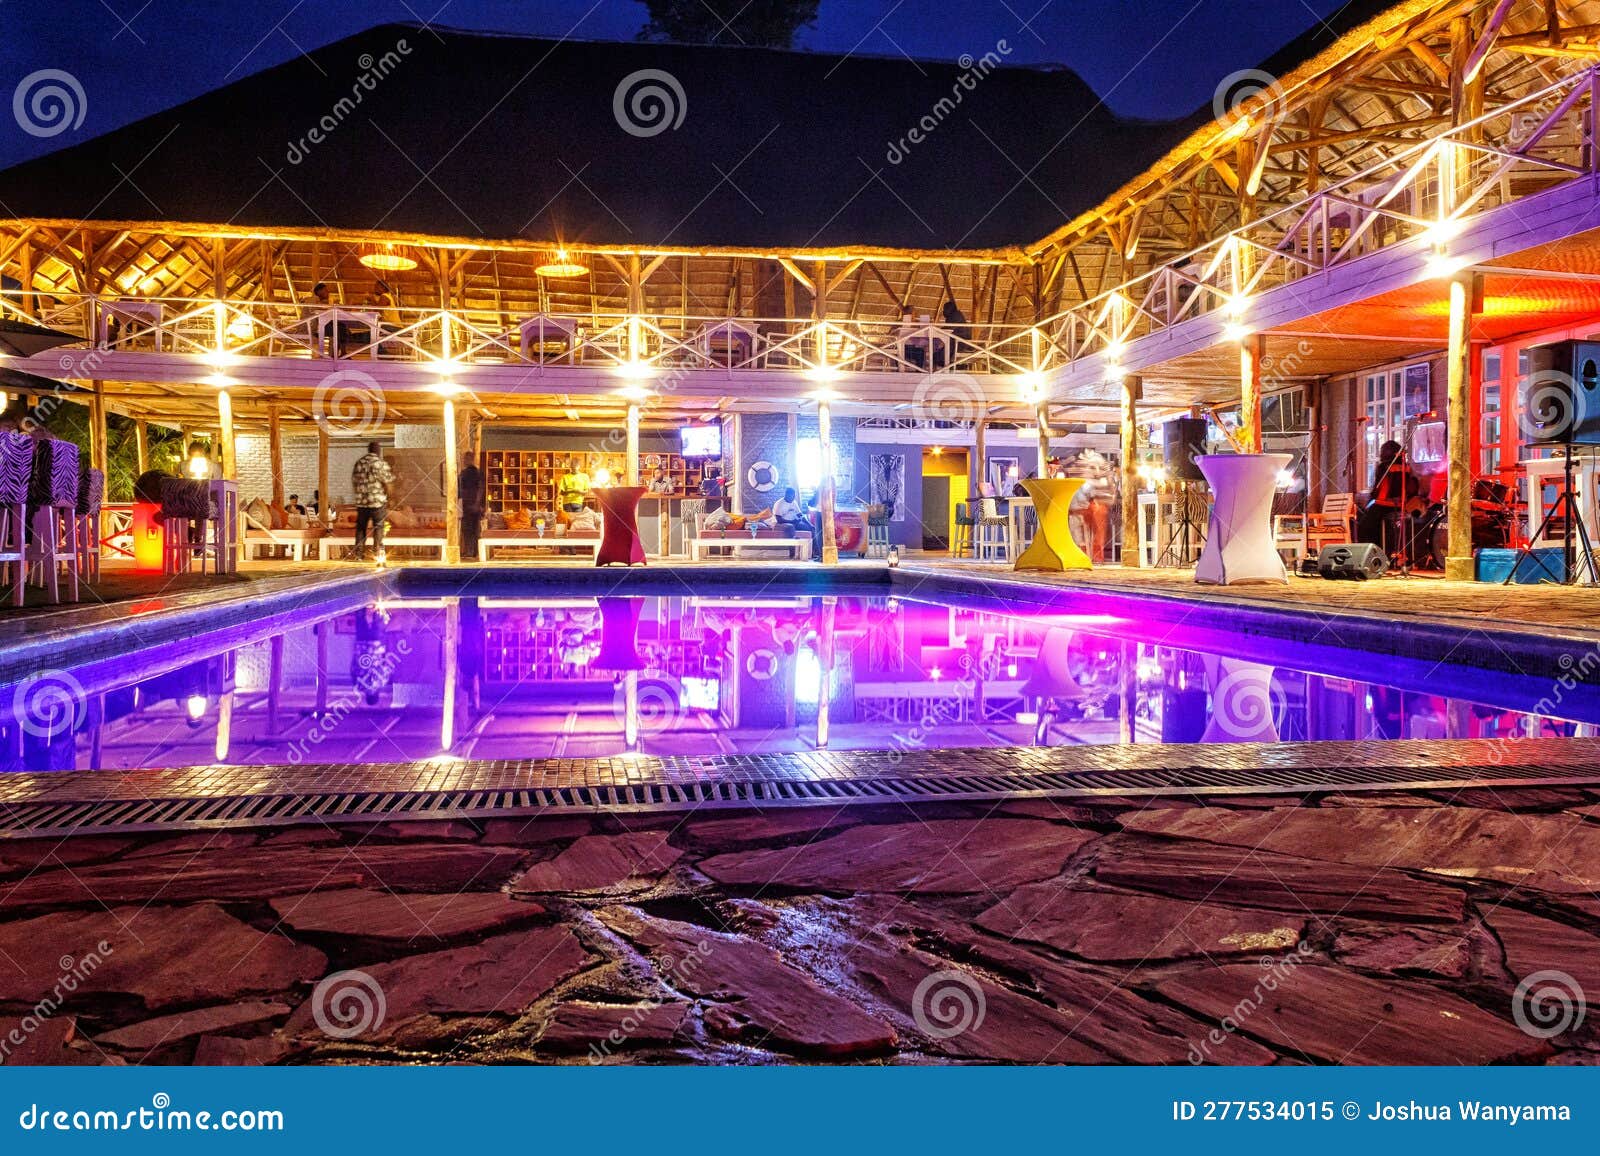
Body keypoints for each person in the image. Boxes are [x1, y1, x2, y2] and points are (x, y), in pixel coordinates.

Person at [1358, 439, 1418, 559]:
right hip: (1400, 504)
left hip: (1383, 504)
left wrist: (1368, 502)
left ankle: (1370, 554)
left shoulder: (1384, 467)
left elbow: (1379, 489)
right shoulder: (1406, 467)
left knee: (1364, 523)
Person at [350, 440, 394, 560]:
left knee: (361, 528)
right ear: (378, 451)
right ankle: (377, 553)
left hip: (362, 502)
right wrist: (390, 498)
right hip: (377, 502)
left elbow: (354, 482)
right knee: (378, 527)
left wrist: (359, 496)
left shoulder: (359, 463)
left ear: (369, 450)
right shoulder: (380, 463)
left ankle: (358, 555)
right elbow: (388, 483)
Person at [458, 451, 485, 560]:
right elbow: (481, 489)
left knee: (468, 529)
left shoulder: (464, 474)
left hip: (468, 505)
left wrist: (475, 503)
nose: (464, 461)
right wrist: (479, 504)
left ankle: (470, 552)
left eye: (465, 459)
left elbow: (460, 491)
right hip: (475, 506)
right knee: (475, 529)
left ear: (469, 459)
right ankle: (475, 551)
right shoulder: (479, 473)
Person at [939, 300, 969, 369]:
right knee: (942, 346)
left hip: (961, 342)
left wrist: (937, 330)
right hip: (957, 340)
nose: (944, 311)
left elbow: (948, 328)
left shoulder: (955, 316)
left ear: (949, 309)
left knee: (943, 347)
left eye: (945, 309)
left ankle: (949, 365)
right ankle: (949, 364)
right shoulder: (953, 316)